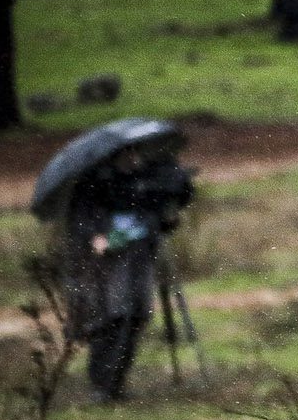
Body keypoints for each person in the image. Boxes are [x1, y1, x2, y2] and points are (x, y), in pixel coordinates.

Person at [57, 147, 195, 402]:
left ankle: (116, 383)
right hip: (106, 262)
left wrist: (167, 211)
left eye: (135, 153)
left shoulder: (146, 179)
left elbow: (165, 212)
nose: (133, 158)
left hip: (140, 257)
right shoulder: (95, 183)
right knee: (111, 318)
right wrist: (94, 235)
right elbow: (81, 219)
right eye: (126, 154)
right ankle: (102, 385)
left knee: (136, 317)